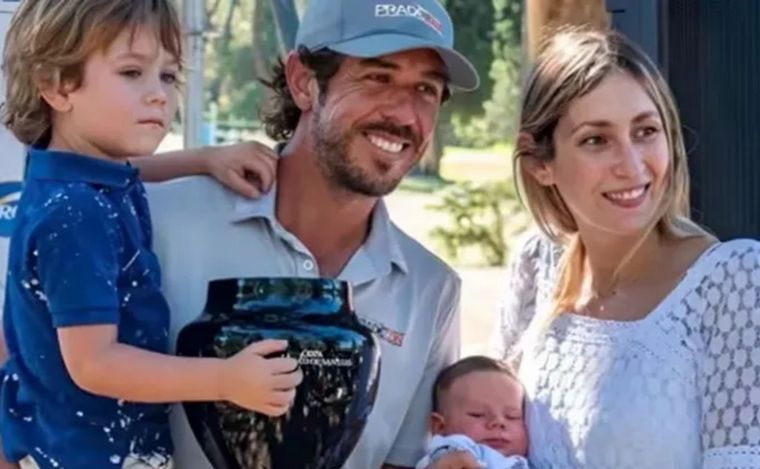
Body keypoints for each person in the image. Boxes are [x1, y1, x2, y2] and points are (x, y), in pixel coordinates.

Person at [145, 0, 480, 467]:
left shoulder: (432, 290)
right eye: (377, 77)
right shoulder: (158, 219)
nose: (405, 114)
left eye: (426, 89)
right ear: (304, 81)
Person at [431, 27, 760, 469]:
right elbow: (493, 440)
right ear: (540, 164)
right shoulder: (536, 264)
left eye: (645, 131)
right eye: (595, 140)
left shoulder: (736, 280)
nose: (631, 165)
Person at [0, 1, 301, 468]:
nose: (159, 95)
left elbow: (130, 171)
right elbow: (95, 363)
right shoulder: (77, 214)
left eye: (167, 76)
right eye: (131, 72)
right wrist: (225, 379)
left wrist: (200, 159)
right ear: (55, 85)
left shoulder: (72, 179)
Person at [416, 356, 529, 469]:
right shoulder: (459, 449)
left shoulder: (523, 460)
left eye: (512, 416)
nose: (498, 422)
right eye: (477, 414)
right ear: (440, 427)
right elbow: (448, 456)